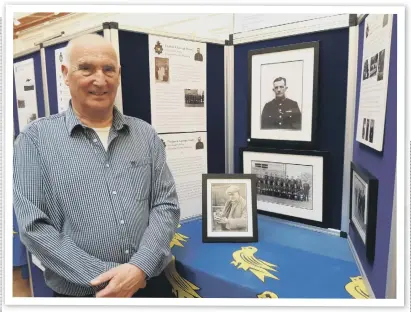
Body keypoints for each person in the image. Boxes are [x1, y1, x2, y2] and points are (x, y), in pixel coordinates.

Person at [13, 34, 180, 298]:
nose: (100, 80)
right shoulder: (34, 140)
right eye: (86, 68)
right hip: (83, 295)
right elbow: (34, 227)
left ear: (119, 74)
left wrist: (139, 267)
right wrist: (108, 279)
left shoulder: (145, 135)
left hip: (148, 285)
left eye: (108, 69)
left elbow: (165, 205)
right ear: (66, 74)